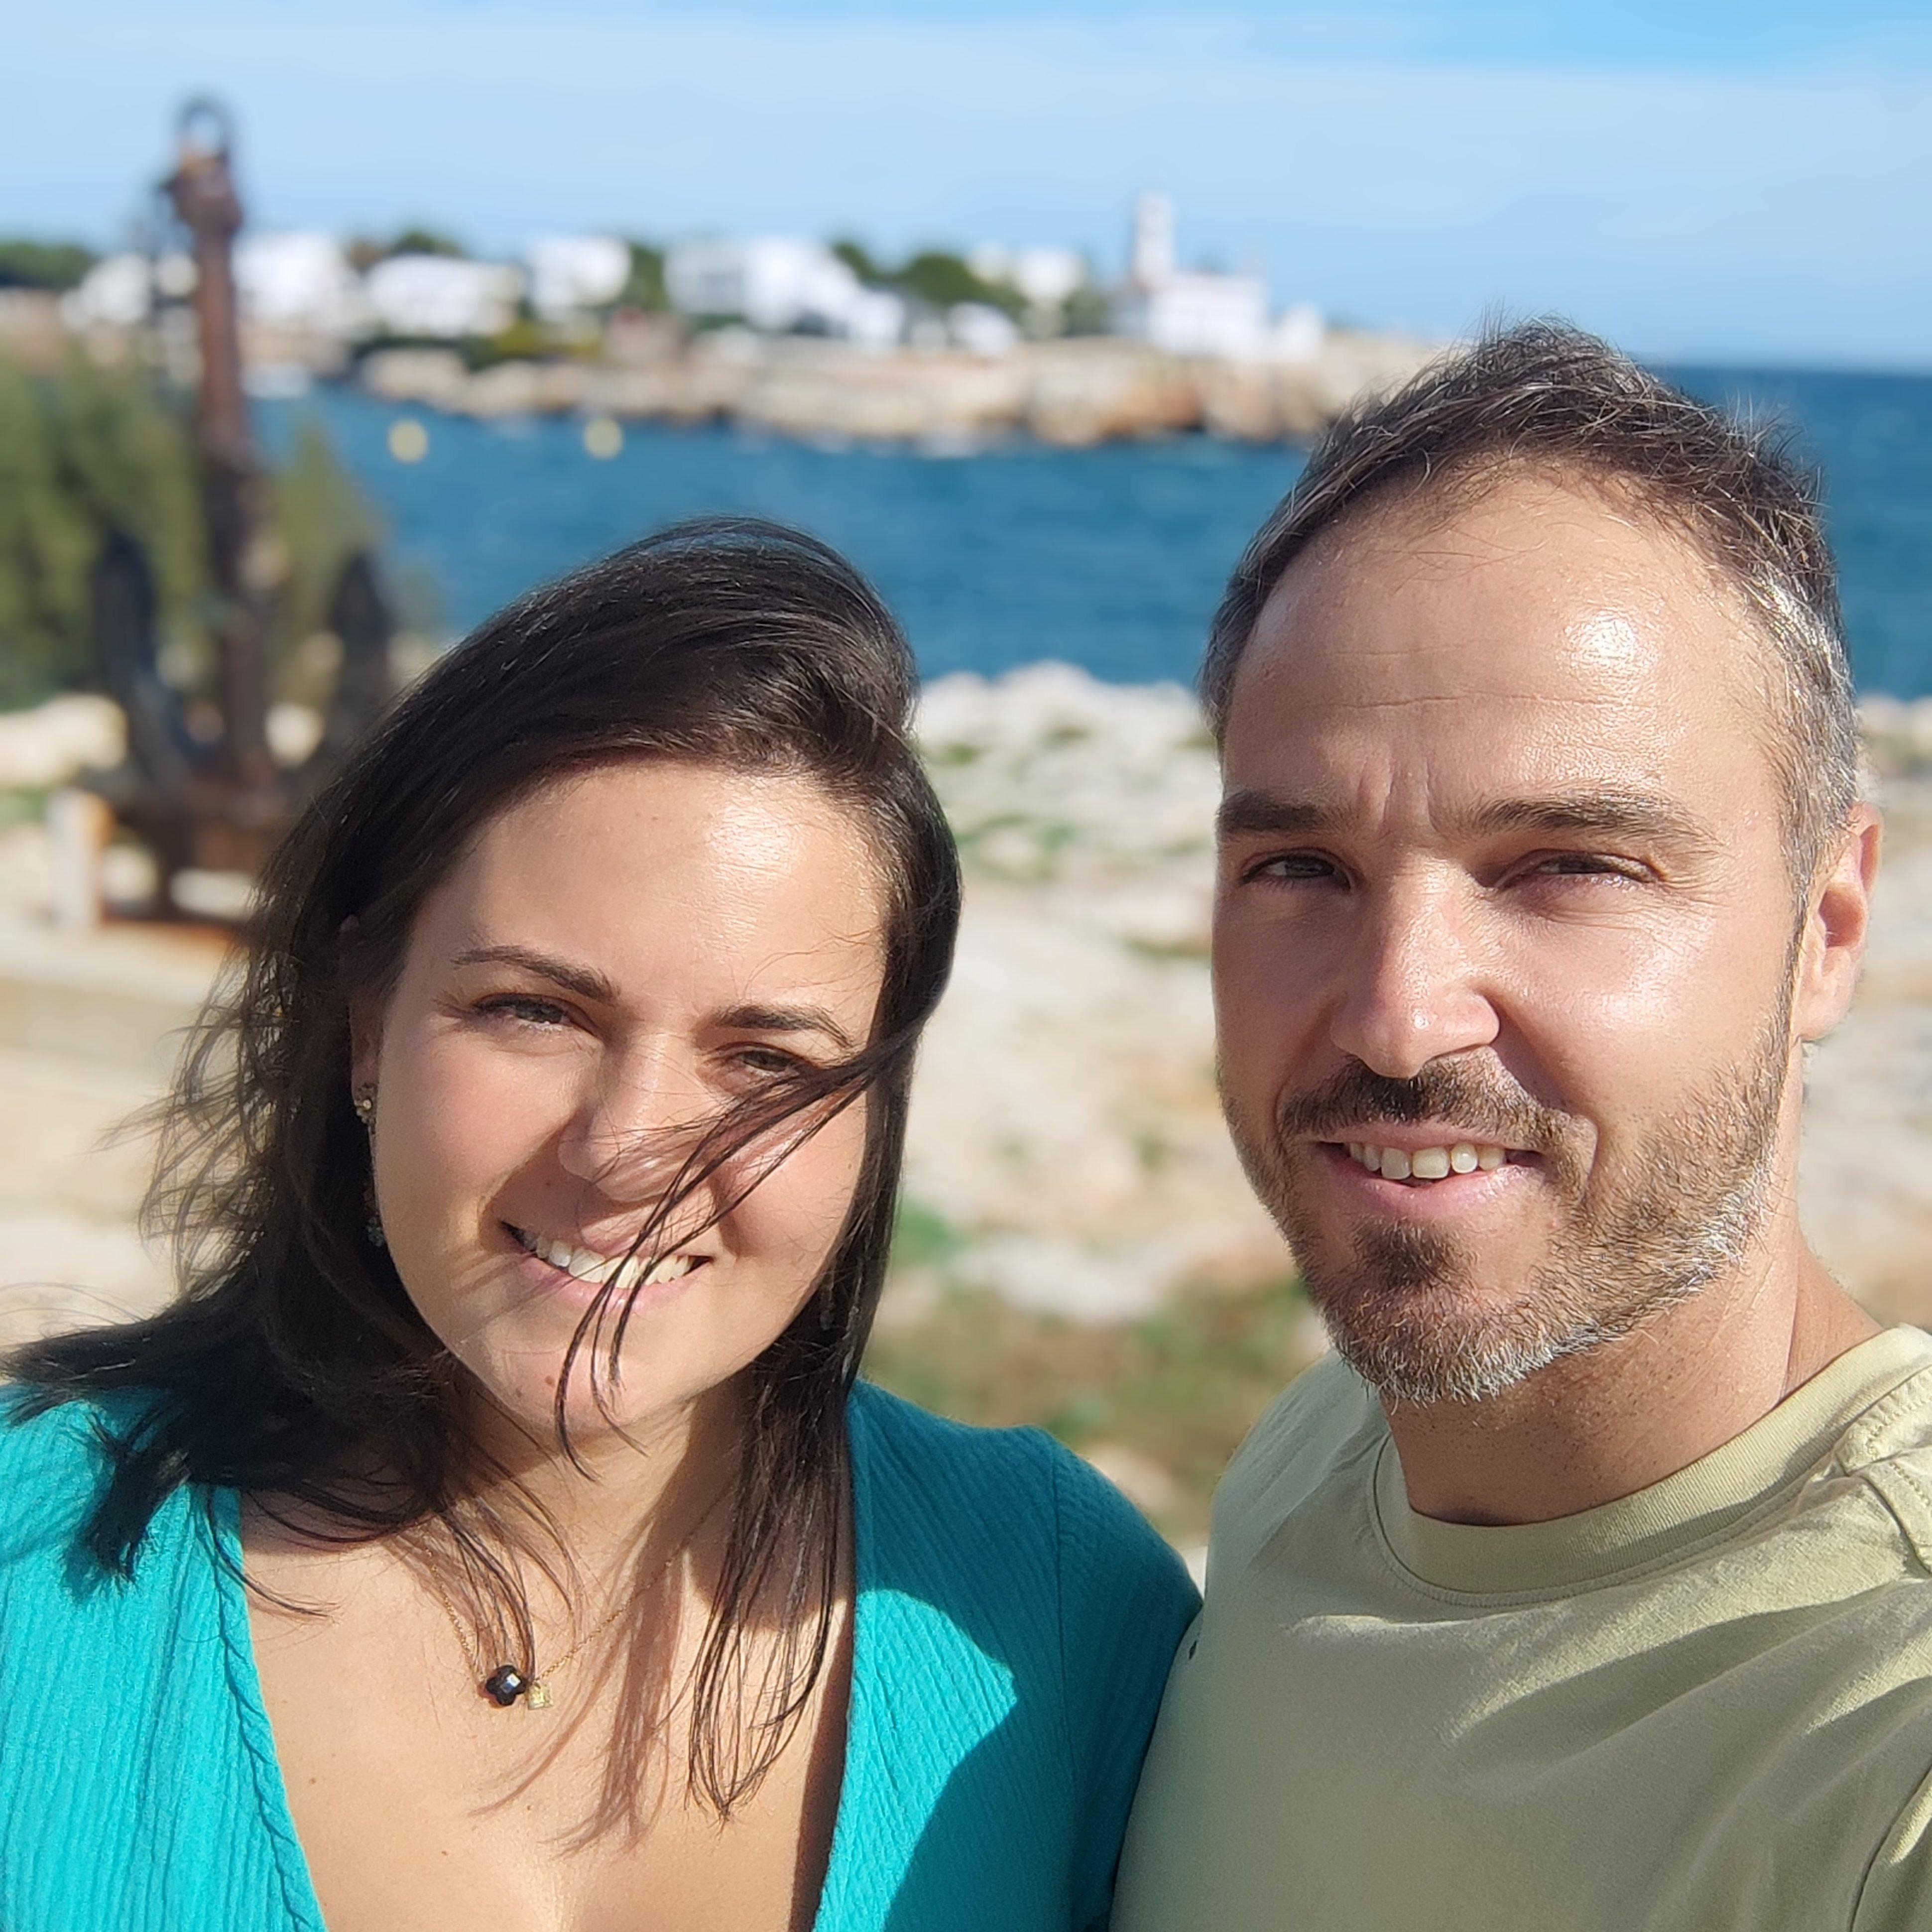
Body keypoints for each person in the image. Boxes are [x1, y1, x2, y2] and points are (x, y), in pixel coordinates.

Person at [0, 519, 1196, 1932]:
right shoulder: (28, 1561)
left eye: (767, 1062)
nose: (628, 1149)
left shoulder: (1057, 1615)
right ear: (367, 1022)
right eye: (536, 1011)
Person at [1113, 324, 1932, 1931]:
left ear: (1827, 931)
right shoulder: (1312, 1462)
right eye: (1300, 869)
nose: (1397, 1015)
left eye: (1567, 865)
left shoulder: (1878, 1744)